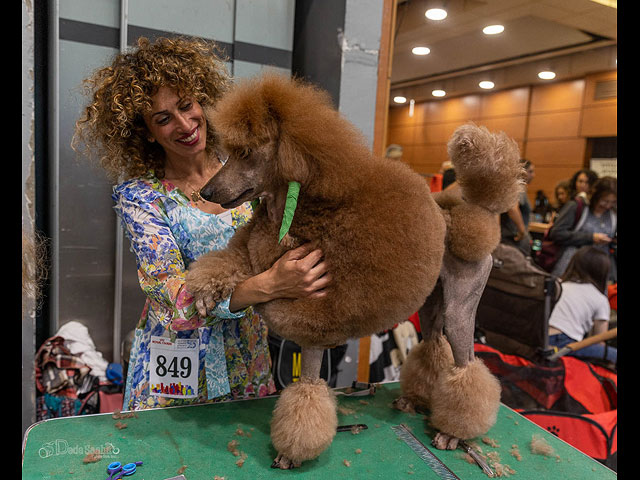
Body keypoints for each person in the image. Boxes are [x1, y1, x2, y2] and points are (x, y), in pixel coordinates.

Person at [72, 36, 331, 410]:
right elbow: (172, 298)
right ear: (147, 131)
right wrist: (266, 285)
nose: (184, 124)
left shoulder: (249, 170)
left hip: (249, 358)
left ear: (201, 99)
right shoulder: (142, 198)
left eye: (186, 105)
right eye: (163, 119)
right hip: (175, 369)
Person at [548, 246, 617, 366]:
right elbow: (599, 340)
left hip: (540, 337)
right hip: (564, 345)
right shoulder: (600, 299)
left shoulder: (559, 284)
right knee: (612, 354)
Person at [549, 176, 617, 282]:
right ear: (596, 196)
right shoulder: (577, 207)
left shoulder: (613, 214)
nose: (608, 206)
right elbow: (557, 233)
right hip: (571, 266)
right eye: (604, 201)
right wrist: (590, 238)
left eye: (612, 202)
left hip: (599, 271)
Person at [500, 159, 534, 256]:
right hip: (513, 238)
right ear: (522, 171)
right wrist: (522, 231)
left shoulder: (510, 185)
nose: (533, 175)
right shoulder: (518, 186)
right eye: (530, 171)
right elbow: (513, 208)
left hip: (509, 237)